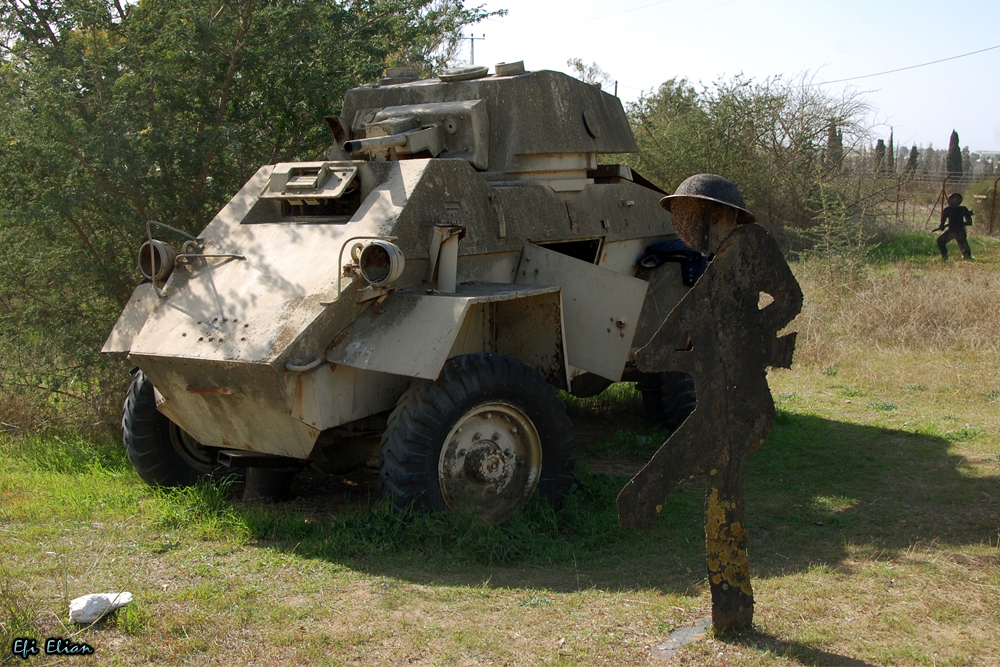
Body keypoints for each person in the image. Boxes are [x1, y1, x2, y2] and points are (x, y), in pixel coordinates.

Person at [617, 174, 802, 631]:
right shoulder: (717, 270)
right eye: (688, 216)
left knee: (714, 491)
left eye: (699, 215)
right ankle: (730, 607)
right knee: (712, 490)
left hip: (741, 406)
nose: (692, 226)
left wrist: (752, 335)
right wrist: (693, 356)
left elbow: (789, 299)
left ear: (721, 216)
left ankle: (732, 610)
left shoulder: (751, 244)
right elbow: (664, 347)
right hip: (723, 401)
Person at [936, 192, 973, 260]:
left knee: (940, 242)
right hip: (960, 231)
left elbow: (941, 226)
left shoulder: (947, 210)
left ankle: (945, 257)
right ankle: (967, 258)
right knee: (963, 245)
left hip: (952, 231)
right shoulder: (963, 209)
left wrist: (943, 226)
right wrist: (961, 224)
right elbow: (969, 222)